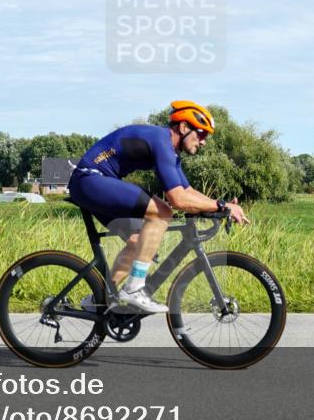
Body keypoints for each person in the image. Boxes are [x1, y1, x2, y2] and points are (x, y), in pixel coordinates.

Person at [67, 100, 248, 314]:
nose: (204, 142)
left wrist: (220, 207)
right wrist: (220, 205)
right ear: (183, 127)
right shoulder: (161, 141)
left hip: (92, 183)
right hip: (90, 179)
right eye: (201, 134)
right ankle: (134, 289)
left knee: (137, 243)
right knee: (162, 212)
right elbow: (178, 200)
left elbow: (187, 190)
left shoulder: (169, 150)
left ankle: (101, 299)